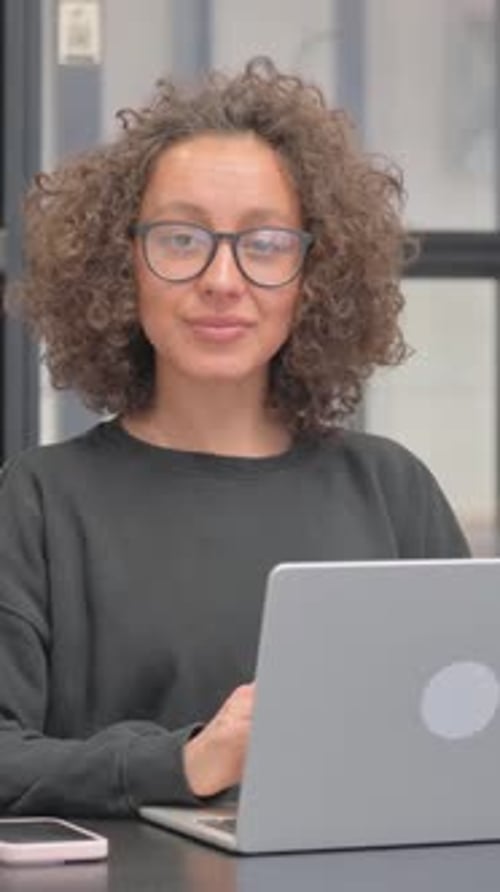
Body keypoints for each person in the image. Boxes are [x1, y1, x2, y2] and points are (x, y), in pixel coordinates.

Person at [0, 57, 469, 817]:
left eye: (265, 243)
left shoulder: (391, 490)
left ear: (314, 275)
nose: (223, 279)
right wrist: (182, 762)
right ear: (124, 266)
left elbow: (472, 734)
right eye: (182, 239)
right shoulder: (40, 501)